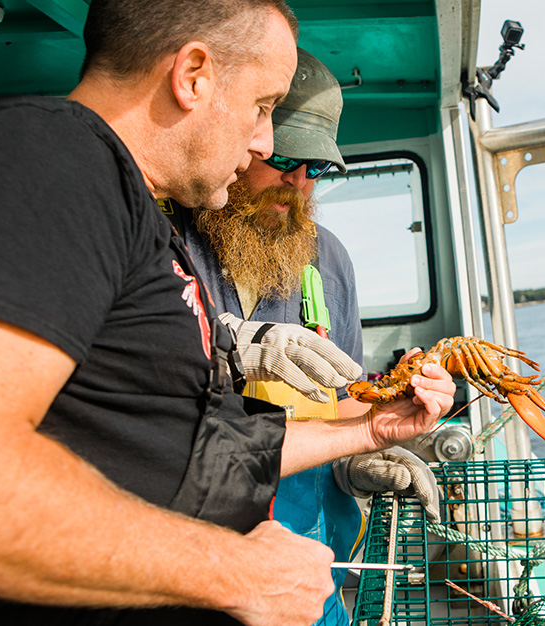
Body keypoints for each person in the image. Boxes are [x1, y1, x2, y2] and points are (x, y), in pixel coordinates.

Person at [0, 1, 455, 625]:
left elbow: (169, 443)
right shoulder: (43, 162)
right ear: (193, 74)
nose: (264, 140)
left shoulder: (134, 211)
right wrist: (236, 571)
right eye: (261, 107)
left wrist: (363, 433)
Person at [167, 48, 440, 626]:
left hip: (312, 555)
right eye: (285, 159)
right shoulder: (168, 239)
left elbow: (344, 398)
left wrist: (358, 456)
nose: (295, 184)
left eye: (314, 169)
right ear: (246, 139)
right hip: (198, 554)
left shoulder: (327, 258)